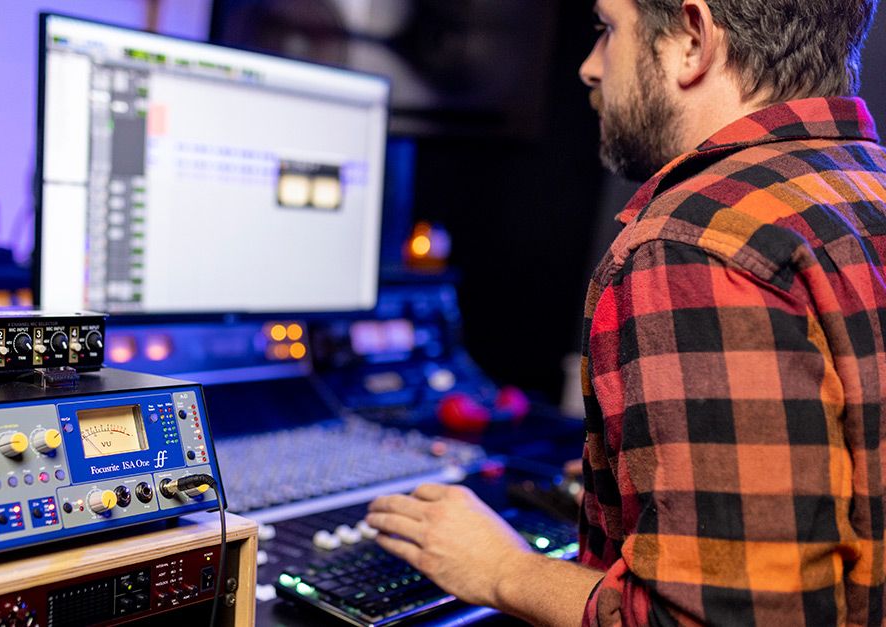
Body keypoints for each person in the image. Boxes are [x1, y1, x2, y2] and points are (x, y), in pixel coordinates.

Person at [366, 0, 886, 624]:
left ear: (692, 39)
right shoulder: (865, 186)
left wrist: (502, 570)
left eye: (607, 29)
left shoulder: (696, 244)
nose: (589, 67)